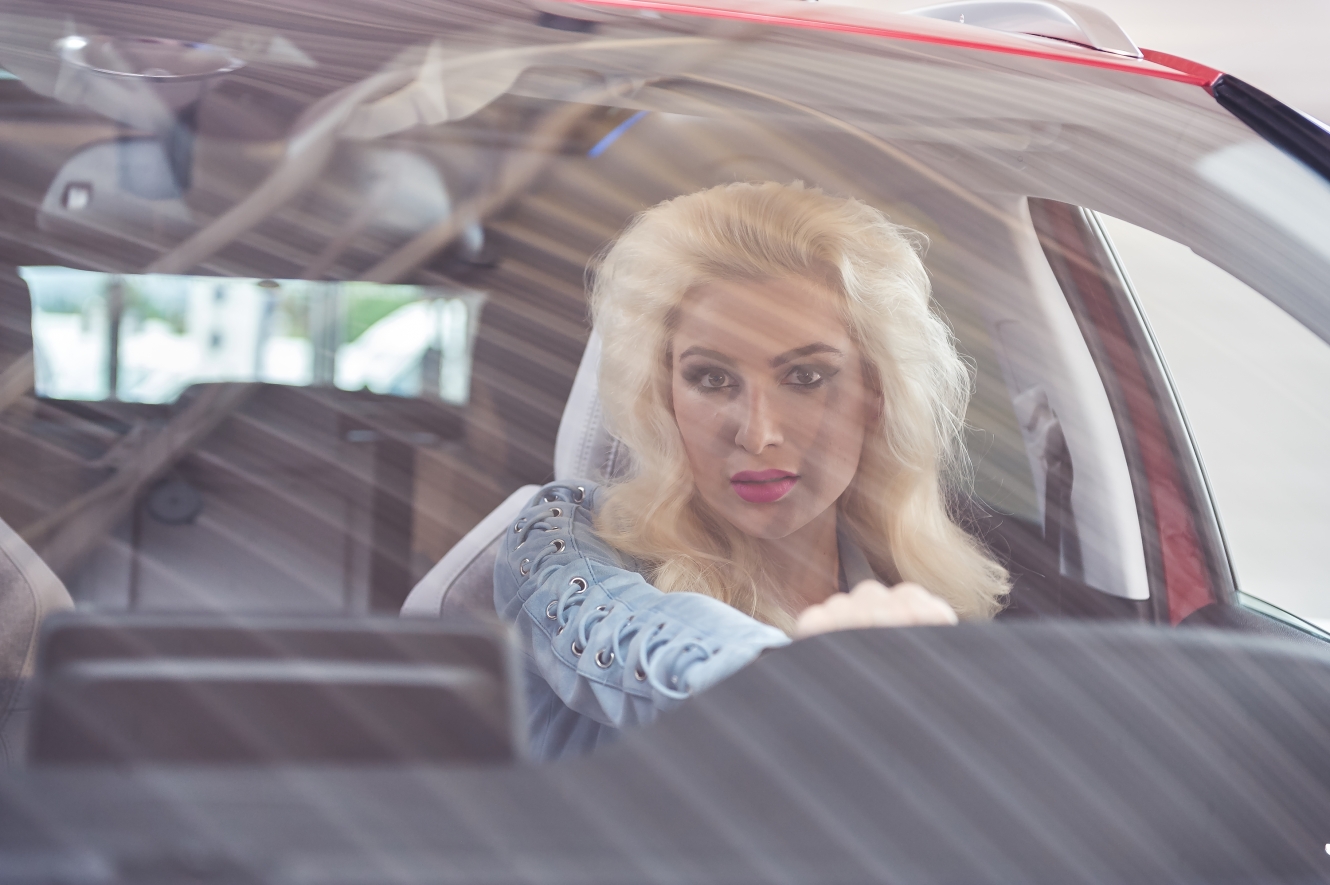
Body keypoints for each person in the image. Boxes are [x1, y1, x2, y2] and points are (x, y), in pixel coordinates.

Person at [495, 181, 1009, 760]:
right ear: (663, 394)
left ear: (875, 394)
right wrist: (798, 671)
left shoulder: (912, 588)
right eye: (712, 379)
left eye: (805, 378)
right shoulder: (565, 536)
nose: (757, 433)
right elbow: (626, 636)